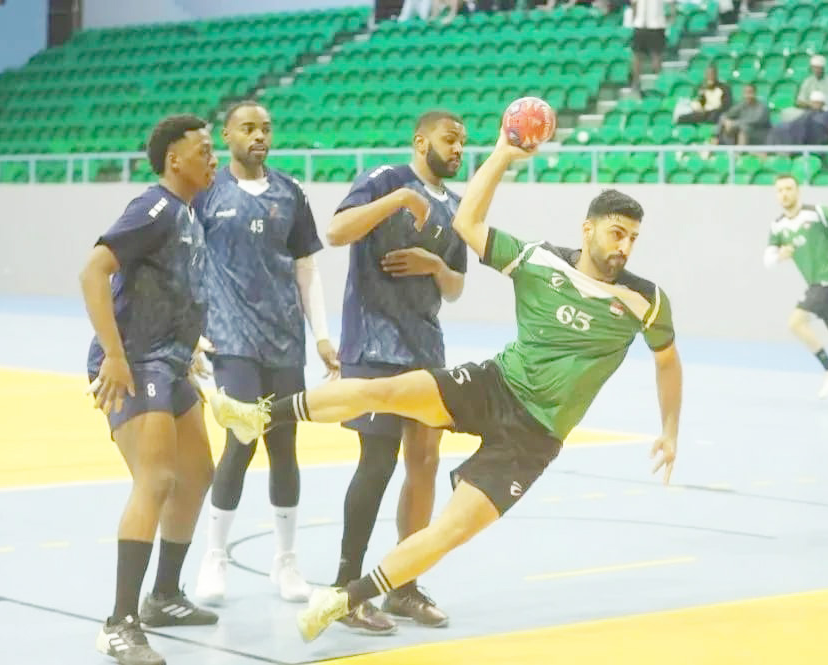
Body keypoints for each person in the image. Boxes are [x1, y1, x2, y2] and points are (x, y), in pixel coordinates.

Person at [207, 131, 682, 645]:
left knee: (450, 530)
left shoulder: (646, 301)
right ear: (588, 229)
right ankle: (259, 415)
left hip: (535, 437)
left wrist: (670, 430)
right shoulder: (540, 261)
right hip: (495, 385)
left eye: (633, 238)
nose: (624, 247)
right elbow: (467, 223)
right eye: (616, 233)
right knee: (385, 390)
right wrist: (502, 153)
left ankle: (343, 599)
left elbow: (668, 362)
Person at [321, 110, 470, 633]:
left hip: (425, 346)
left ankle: (403, 586)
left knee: (424, 462)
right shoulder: (385, 178)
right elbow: (336, 231)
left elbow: (456, 287)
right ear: (420, 141)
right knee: (378, 461)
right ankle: (345, 589)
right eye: (449, 139)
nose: (458, 149)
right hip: (374, 344)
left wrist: (436, 267)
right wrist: (401, 199)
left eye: (463, 142)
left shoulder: (458, 205)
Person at [81, 114, 222, 665]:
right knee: (157, 479)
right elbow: (93, 272)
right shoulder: (154, 207)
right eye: (204, 150)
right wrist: (115, 357)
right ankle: (119, 623)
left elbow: (171, 290)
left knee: (198, 472)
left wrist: (189, 343)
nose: (213, 158)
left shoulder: (188, 214)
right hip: (135, 364)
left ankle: (164, 595)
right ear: (174, 159)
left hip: (171, 363)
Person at [191, 101, 340, 606]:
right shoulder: (206, 195)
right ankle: (214, 556)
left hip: (284, 340)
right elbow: (188, 265)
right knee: (241, 440)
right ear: (227, 135)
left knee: (284, 445)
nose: (259, 136)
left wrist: (321, 335)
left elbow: (306, 269)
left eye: (266, 129)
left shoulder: (290, 193)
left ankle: (286, 561)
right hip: (231, 339)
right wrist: (190, 331)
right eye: (248, 128)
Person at [763, 174, 828, 398]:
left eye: (789, 189)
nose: (784, 194)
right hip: (820, 285)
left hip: (827, 281)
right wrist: (780, 256)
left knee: (795, 323)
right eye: (780, 190)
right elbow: (767, 260)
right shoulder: (778, 226)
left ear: (798, 191)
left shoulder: (816, 213)